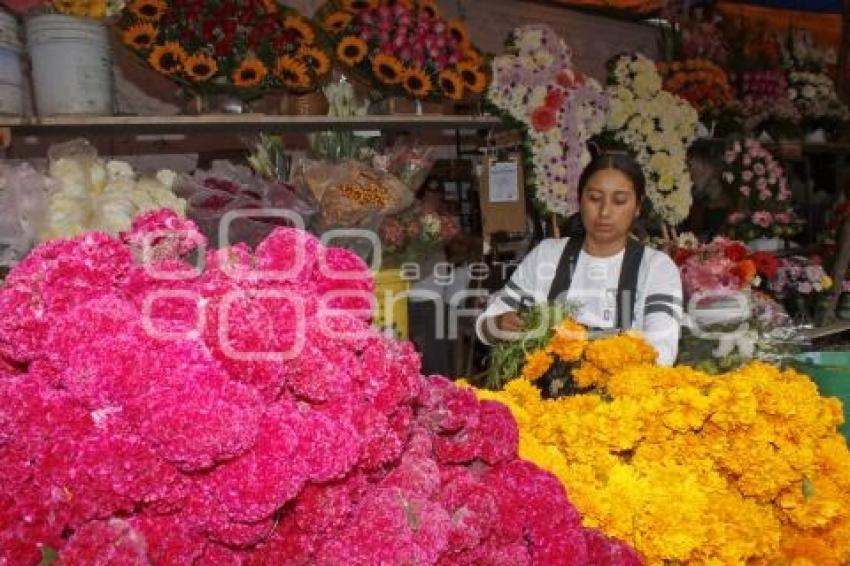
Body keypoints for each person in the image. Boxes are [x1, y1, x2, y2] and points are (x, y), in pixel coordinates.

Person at [475, 148, 683, 366]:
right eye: (594, 198)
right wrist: (499, 324)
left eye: (619, 201)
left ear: (637, 207)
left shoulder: (655, 268)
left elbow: (662, 353)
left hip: (624, 394)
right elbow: (484, 326)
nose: (604, 212)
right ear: (580, 200)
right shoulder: (547, 256)